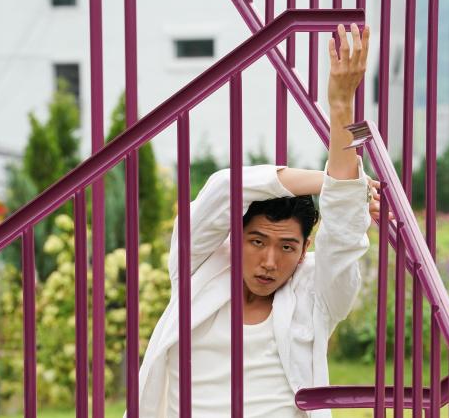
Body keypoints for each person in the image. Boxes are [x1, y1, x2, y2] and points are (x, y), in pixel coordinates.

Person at [134, 23, 379, 417]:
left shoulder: (315, 295)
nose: (269, 262)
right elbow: (223, 189)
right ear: (235, 238)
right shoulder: (198, 272)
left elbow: (345, 236)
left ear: (303, 252)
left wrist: (341, 106)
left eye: (287, 247)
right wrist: (328, 182)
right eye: (257, 241)